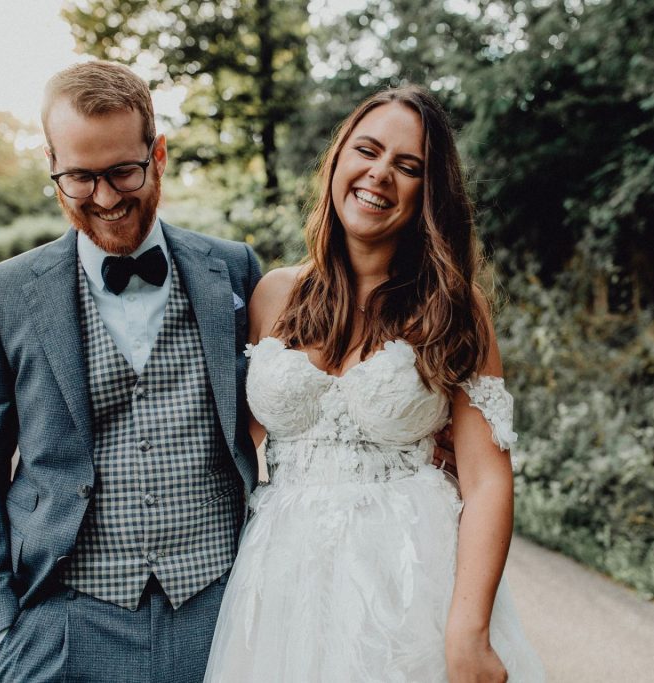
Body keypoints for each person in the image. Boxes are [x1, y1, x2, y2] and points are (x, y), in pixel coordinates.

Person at [204, 86, 545, 681]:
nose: (380, 174)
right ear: (337, 160)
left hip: (410, 576)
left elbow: (488, 476)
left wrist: (469, 630)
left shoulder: (454, 308)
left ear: (427, 192)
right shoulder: (273, 295)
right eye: (367, 150)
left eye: (407, 166)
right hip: (282, 580)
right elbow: (230, 443)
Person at [0, 61, 261, 682]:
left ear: (158, 153)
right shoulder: (2, 294)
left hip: (220, 612)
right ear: (53, 168)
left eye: (123, 171)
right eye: (80, 178)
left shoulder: (235, 271)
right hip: (63, 625)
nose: (106, 198)